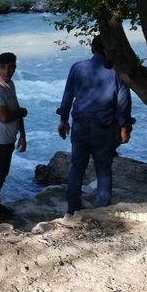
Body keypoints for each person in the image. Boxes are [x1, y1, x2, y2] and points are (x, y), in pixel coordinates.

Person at [57, 36, 133, 216]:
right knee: (103, 169)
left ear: (93, 49)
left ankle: (72, 208)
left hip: (80, 125)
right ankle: (102, 210)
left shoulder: (77, 68)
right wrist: (124, 128)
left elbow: (68, 96)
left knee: (77, 166)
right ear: (107, 50)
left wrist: (63, 120)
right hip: (104, 128)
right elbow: (124, 103)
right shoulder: (117, 72)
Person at [0, 52, 28, 224]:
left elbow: (16, 111)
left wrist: (23, 135)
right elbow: (4, 117)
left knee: (1, 176)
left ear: (15, 68)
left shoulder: (10, 84)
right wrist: (22, 112)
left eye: (11, 67)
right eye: (3, 67)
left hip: (8, 139)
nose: (7, 71)